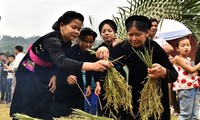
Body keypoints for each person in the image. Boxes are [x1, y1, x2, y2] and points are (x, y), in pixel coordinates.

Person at [10, 11, 111, 120]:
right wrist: (94, 66)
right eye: (73, 27)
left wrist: (54, 74)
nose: (77, 31)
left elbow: (55, 62)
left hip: (44, 73)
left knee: (45, 105)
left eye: (79, 29)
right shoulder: (52, 40)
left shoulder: (67, 42)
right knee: (27, 105)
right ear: (62, 25)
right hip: (29, 71)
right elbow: (61, 61)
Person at [97, 15, 178, 119]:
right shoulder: (124, 46)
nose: (134, 39)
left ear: (147, 32)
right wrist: (103, 49)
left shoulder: (154, 48)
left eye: (138, 34)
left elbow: (174, 74)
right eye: (130, 35)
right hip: (132, 98)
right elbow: (108, 57)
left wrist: (163, 72)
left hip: (155, 99)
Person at [54, 27, 100, 116]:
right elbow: (61, 69)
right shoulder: (70, 52)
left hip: (80, 87)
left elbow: (91, 70)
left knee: (79, 110)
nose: (88, 45)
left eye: (91, 42)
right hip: (66, 88)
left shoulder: (91, 53)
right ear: (79, 40)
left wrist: (89, 85)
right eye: (85, 41)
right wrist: (67, 77)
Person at [97, 19, 127, 117]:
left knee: (121, 107)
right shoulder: (98, 49)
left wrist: (114, 47)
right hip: (104, 82)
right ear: (100, 34)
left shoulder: (122, 46)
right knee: (106, 107)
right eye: (103, 31)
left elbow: (122, 61)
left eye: (109, 31)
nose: (106, 33)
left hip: (120, 80)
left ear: (115, 32)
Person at [173, 37, 200, 120]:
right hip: (185, 89)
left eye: (188, 45)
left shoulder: (188, 59)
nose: (186, 47)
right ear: (177, 48)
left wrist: (195, 73)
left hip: (194, 87)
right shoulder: (178, 59)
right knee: (185, 114)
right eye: (183, 45)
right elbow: (191, 70)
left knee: (195, 114)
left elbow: (191, 73)